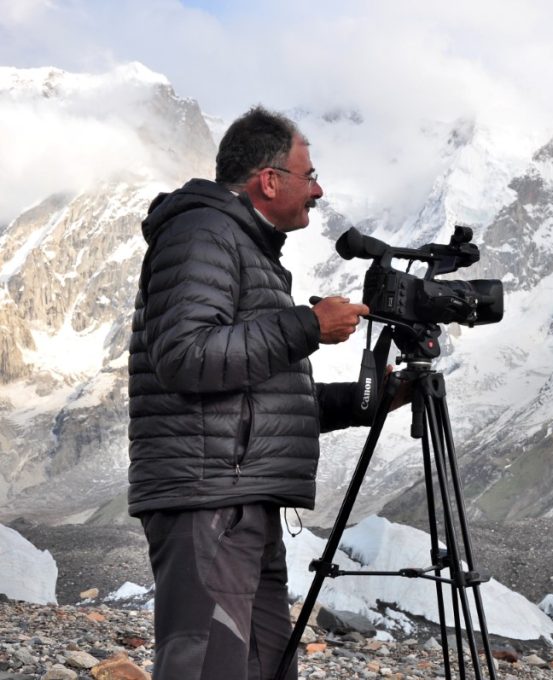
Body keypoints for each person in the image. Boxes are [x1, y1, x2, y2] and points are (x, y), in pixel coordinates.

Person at [128, 105, 372, 679]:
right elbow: (185, 356)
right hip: (209, 498)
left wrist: (371, 397)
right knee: (207, 668)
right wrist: (308, 327)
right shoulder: (203, 233)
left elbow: (257, 402)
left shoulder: (243, 245)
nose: (318, 190)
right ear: (269, 180)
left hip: (238, 499)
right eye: (309, 176)